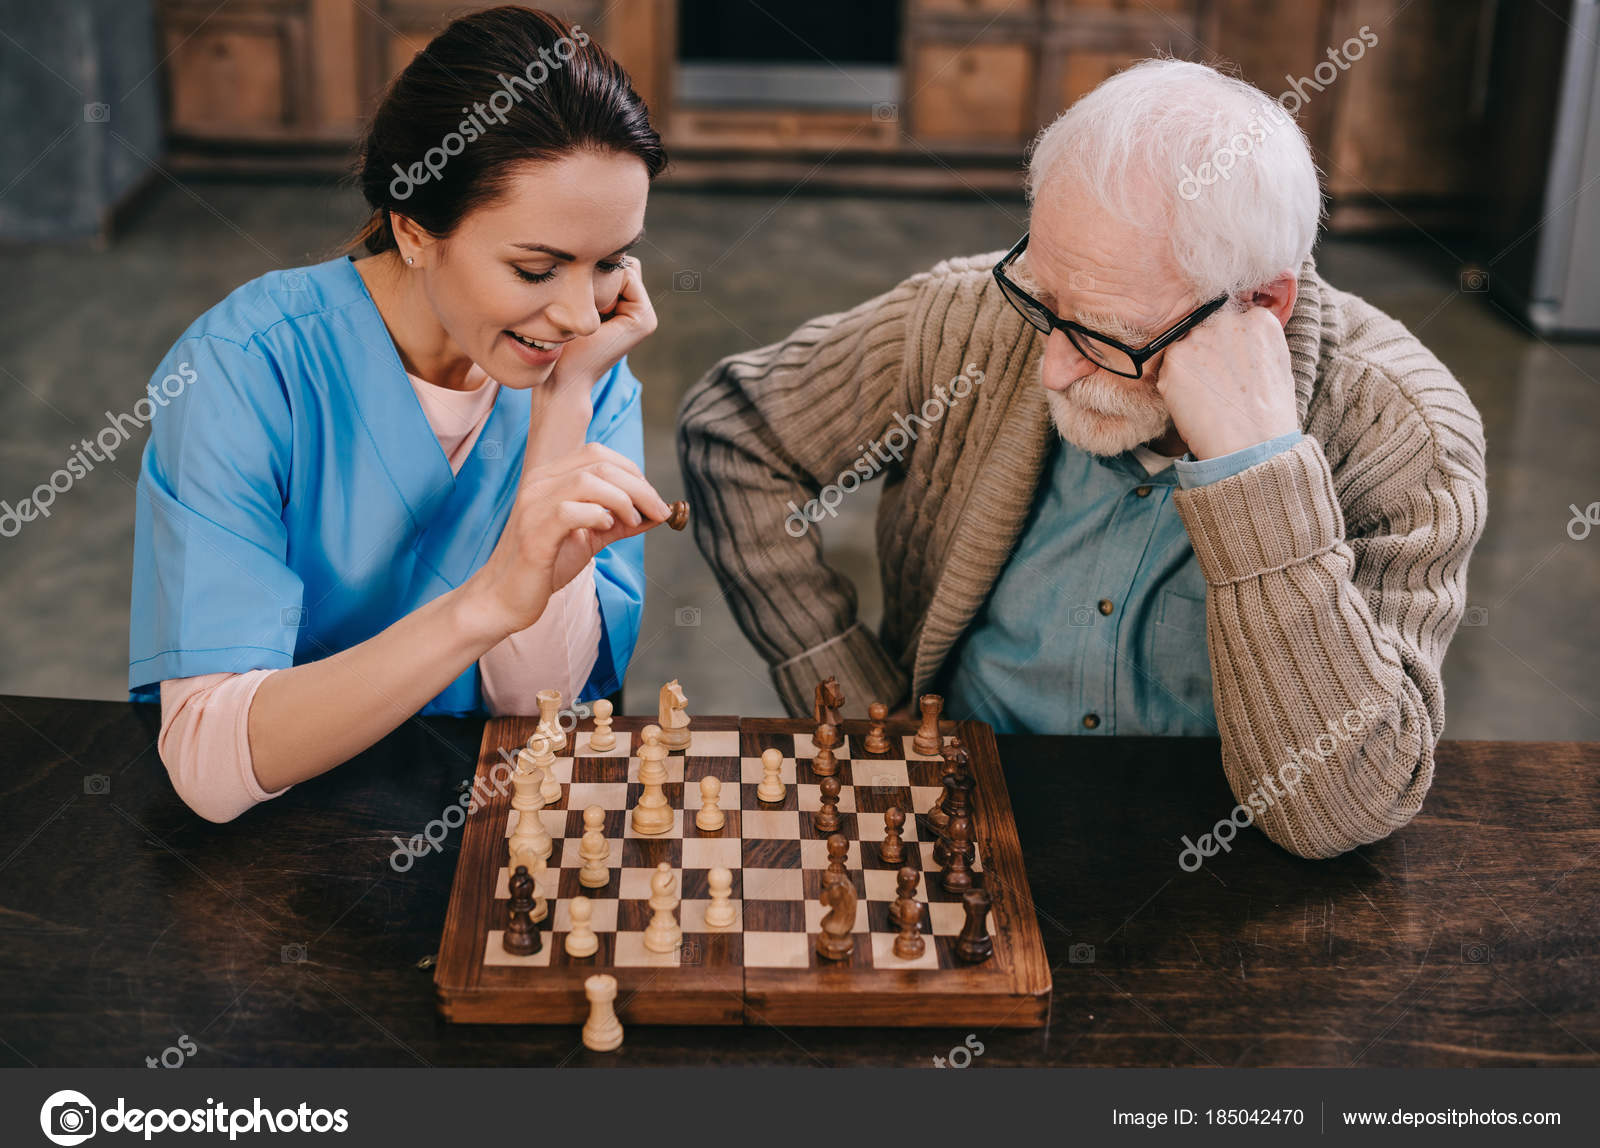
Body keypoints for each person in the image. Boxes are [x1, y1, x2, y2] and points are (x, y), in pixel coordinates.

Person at [677, 59, 1488, 860]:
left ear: (1260, 305)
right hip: (955, 829)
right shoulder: (968, 319)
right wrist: (843, 686)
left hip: (1229, 883)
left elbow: (1335, 813)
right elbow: (737, 432)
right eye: (1046, 302)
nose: (1055, 367)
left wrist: (1257, 470)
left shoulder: (1402, 431)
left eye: (1103, 335)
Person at [130, 8, 671, 823]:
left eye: (610, 262)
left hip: (475, 829)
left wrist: (562, 410)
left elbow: (537, 705)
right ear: (415, 229)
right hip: (283, 846)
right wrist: (490, 599)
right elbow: (211, 766)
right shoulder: (247, 366)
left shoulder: (584, 369)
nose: (582, 316)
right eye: (535, 268)